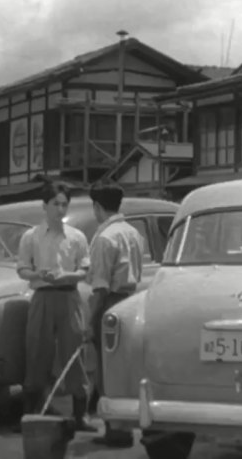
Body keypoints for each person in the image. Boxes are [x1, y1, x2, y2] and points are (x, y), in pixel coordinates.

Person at [16, 181, 96, 432]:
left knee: (74, 352)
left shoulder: (76, 237)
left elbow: (84, 269)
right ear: (45, 206)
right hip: (42, 296)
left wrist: (66, 276)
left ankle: (80, 414)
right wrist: (37, 273)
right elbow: (21, 268)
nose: (60, 209)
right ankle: (31, 413)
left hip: (69, 295)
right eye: (55, 204)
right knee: (37, 351)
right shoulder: (31, 236)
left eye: (64, 204)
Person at [87, 179, 143, 448]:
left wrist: (89, 321)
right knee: (126, 368)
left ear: (97, 206)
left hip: (109, 303)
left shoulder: (104, 238)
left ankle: (115, 430)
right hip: (131, 302)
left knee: (106, 370)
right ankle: (127, 426)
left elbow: (99, 287)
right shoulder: (133, 233)